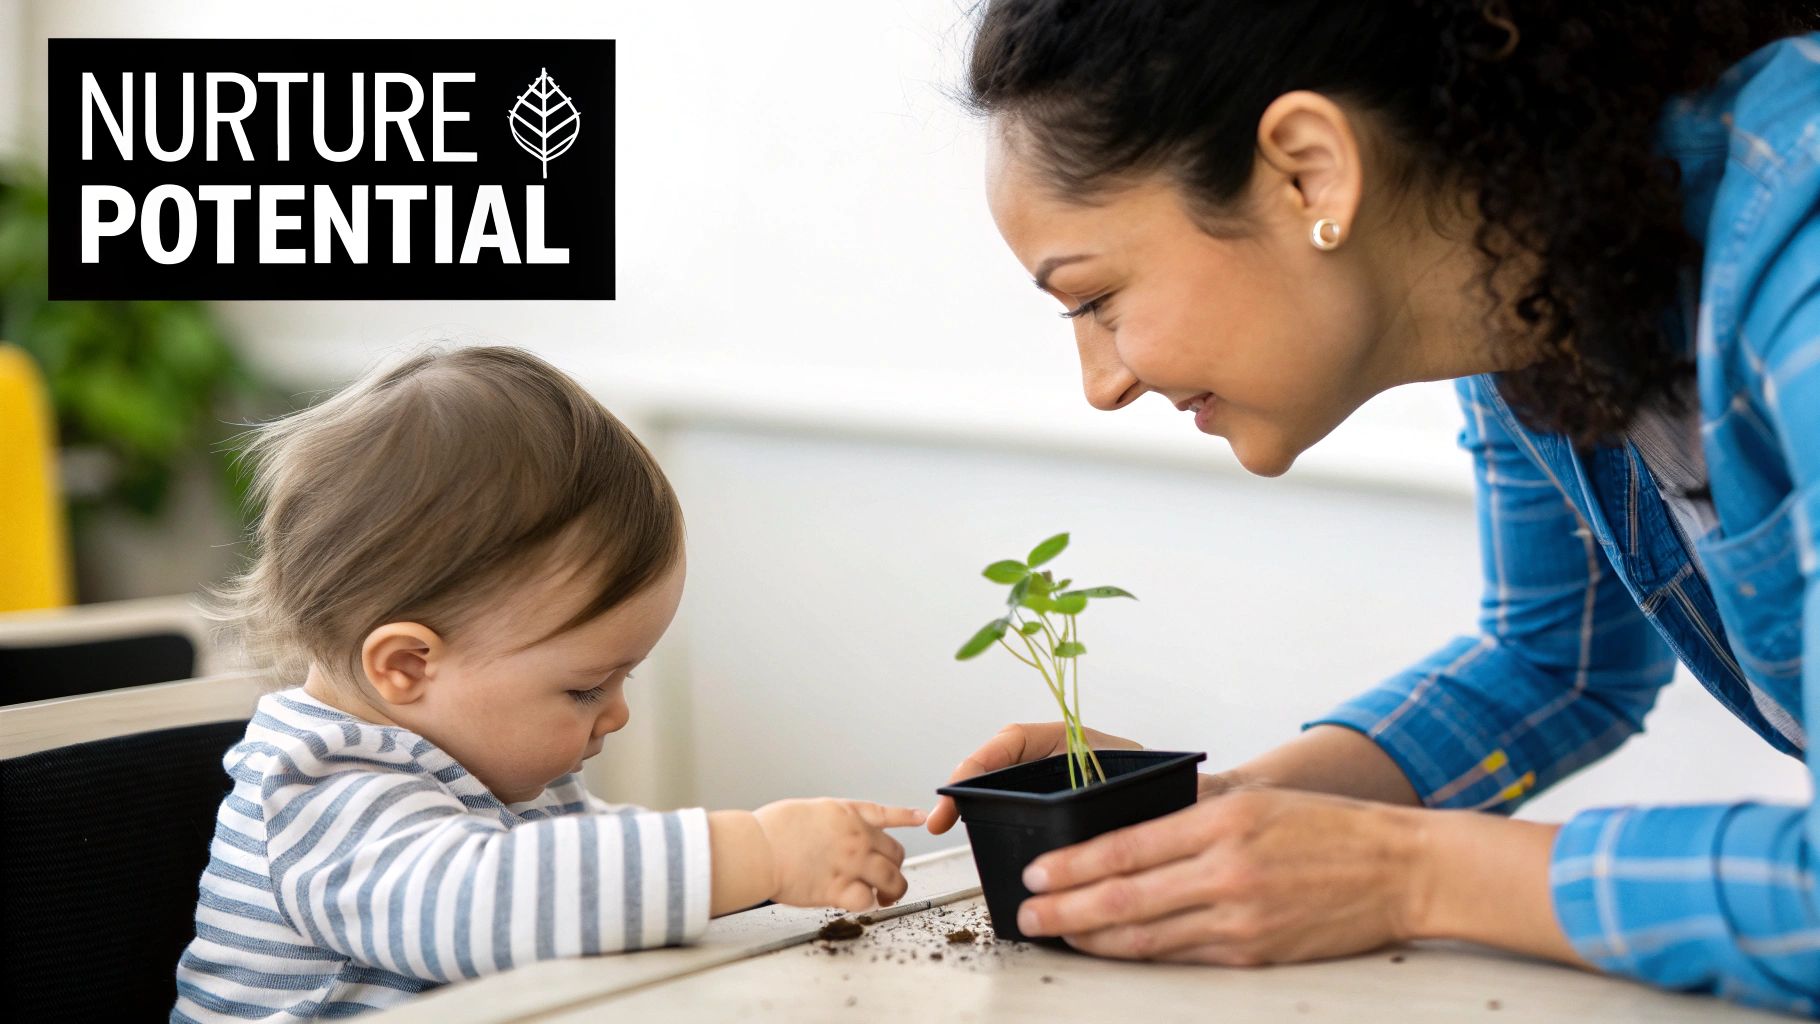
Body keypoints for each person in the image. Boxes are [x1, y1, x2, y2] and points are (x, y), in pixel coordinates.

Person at [928, 1, 1820, 1014]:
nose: (1101, 383)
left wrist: (1405, 872)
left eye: (1095, 299)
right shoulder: (1529, 291)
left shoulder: (1799, 242)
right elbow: (1557, 664)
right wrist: (1224, 815)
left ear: (1309, 171)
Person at [173, 347, 924, 1022]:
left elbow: (589, 868)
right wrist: (753, 853)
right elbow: (486, 904)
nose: (617, 714)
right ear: (407, 666)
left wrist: (772, 872)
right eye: (586, 688)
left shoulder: (476, 760)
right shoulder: (319, 788)